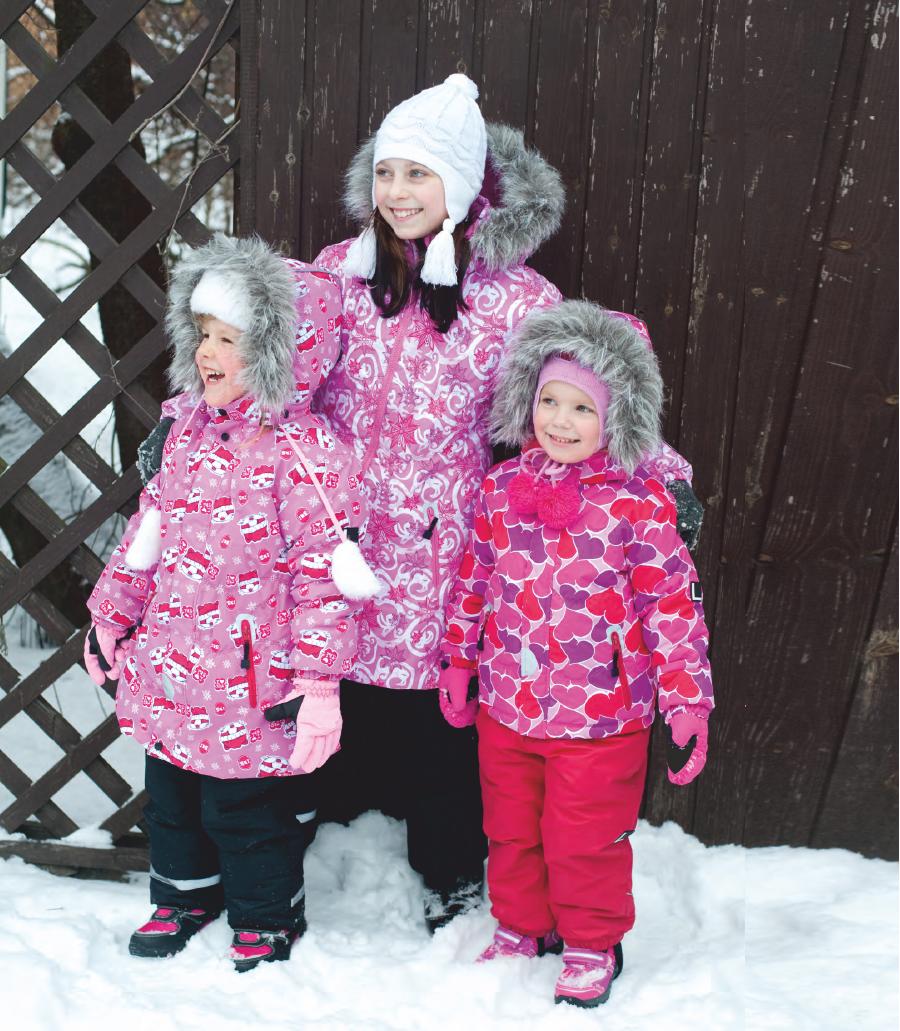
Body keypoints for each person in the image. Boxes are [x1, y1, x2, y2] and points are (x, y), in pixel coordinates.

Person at [311, 72, 699, 932]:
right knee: (318, 694)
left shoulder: (514, 297)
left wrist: (662, 472)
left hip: (445, 540)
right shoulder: (341, 271)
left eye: (418, 174)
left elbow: (584, 388)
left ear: (459, 184)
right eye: (386, 172)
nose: (398, 192)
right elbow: (270, 360)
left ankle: (451, 874)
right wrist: (183, 419)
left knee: (439, 729)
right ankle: (290, 865)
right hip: (337, 538)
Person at [84, 235, 375, 971]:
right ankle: (183, 894)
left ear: (282, 354)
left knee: (245, 810)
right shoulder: (183, 429)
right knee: (172, 796)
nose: (208, 352)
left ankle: (266, 913)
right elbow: (147, 533)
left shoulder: (306, 454)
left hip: (254, 681)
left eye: (230, 339)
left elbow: (324, 580)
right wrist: (110, 615)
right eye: (203, 333)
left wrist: (318, 684)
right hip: (172, 666)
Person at [439, 300, 714, 1008]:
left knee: (583, 838)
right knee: (511, 828)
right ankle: (521, 924)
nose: (560, 421)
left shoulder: (639, 504)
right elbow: (474, 580)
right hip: (508, 704)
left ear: (617, 416)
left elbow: (672, 607)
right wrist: (460, 661)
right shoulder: (502, 489)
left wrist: (687, 701)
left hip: (601, 714)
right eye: (549, 401)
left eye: (582, 407)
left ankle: (592, 941)